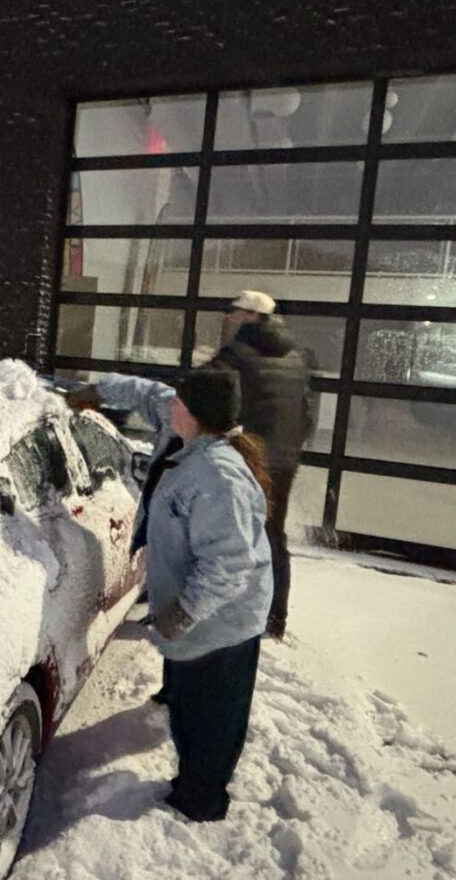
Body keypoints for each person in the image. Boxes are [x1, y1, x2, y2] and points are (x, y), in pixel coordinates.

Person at [69, 369, 273, 823]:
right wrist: (95, 393)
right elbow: (146, 391)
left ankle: (201, 799)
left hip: (222, 621)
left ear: (198, 415)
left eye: (179, 401)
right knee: (186, 700)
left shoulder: (218, 476)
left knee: (212, 718)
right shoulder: (183, 428)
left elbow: (228, 565)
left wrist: (181, 615)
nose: (169, 405)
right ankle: (193, 775)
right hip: (192, 607)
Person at [209, 290, 311, 641]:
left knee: (232, 533)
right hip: (284, 461)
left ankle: (231, 609)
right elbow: (307, 412)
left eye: (235, 312)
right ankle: (275, 617)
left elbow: (207, 397)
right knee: (273, 535)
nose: (230, 317)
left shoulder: (236, 355)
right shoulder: (297, 355)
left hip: (248, 458)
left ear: (253, 316)